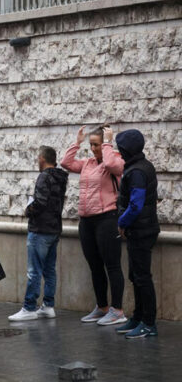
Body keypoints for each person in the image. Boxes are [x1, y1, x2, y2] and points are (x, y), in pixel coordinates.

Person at [60, 125, 126, 325]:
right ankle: (102, 307)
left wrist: (107, 143)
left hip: (107, 218)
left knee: (112, 265)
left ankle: (117, 310)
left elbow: (114, 166)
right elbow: (66, 163)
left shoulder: (113, 160)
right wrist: (77, 143)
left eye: (96, 144)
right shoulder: (87, 163)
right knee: (95, 266)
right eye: (92, 145)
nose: (93, 149)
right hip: (87, 220)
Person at [8, 146, 68, 321]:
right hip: (54, 229)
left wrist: (28, 210)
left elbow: (40, 202)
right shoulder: (61, 177)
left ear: (42, 158)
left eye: (38, 157)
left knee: (34, 271)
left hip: (40, 229)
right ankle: (48, 306)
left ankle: (29, 307)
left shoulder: (44, 177)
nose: (37, 160)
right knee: (49, 270)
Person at [114, 130, 160, 339]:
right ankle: (138, 317)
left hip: (141, 231)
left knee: (142, 277)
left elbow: (136, 205)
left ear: (127, 149)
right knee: (135, 275)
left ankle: (148, 323)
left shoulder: (138, 172)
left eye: (121, 148)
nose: (119, 152)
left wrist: (122, 223)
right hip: (139, 230)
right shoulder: (138, 167)